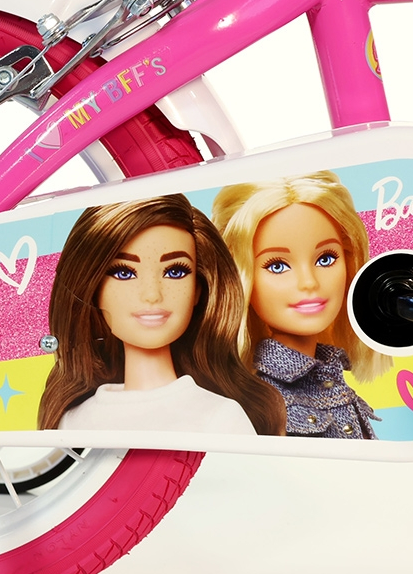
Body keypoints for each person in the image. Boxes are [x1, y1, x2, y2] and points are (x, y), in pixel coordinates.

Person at [37, 193, 286, 436]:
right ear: (93, 290)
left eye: (175, 272)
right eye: (124, 273)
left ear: (198, 289)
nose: (152, 295)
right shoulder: (73, 421)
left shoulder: (220, 417)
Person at [212, 172, 391, 439]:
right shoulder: (259, 401)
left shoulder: (331, 375)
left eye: (326, 258)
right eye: (277, 266)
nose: (309, 282)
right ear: (241, 277)